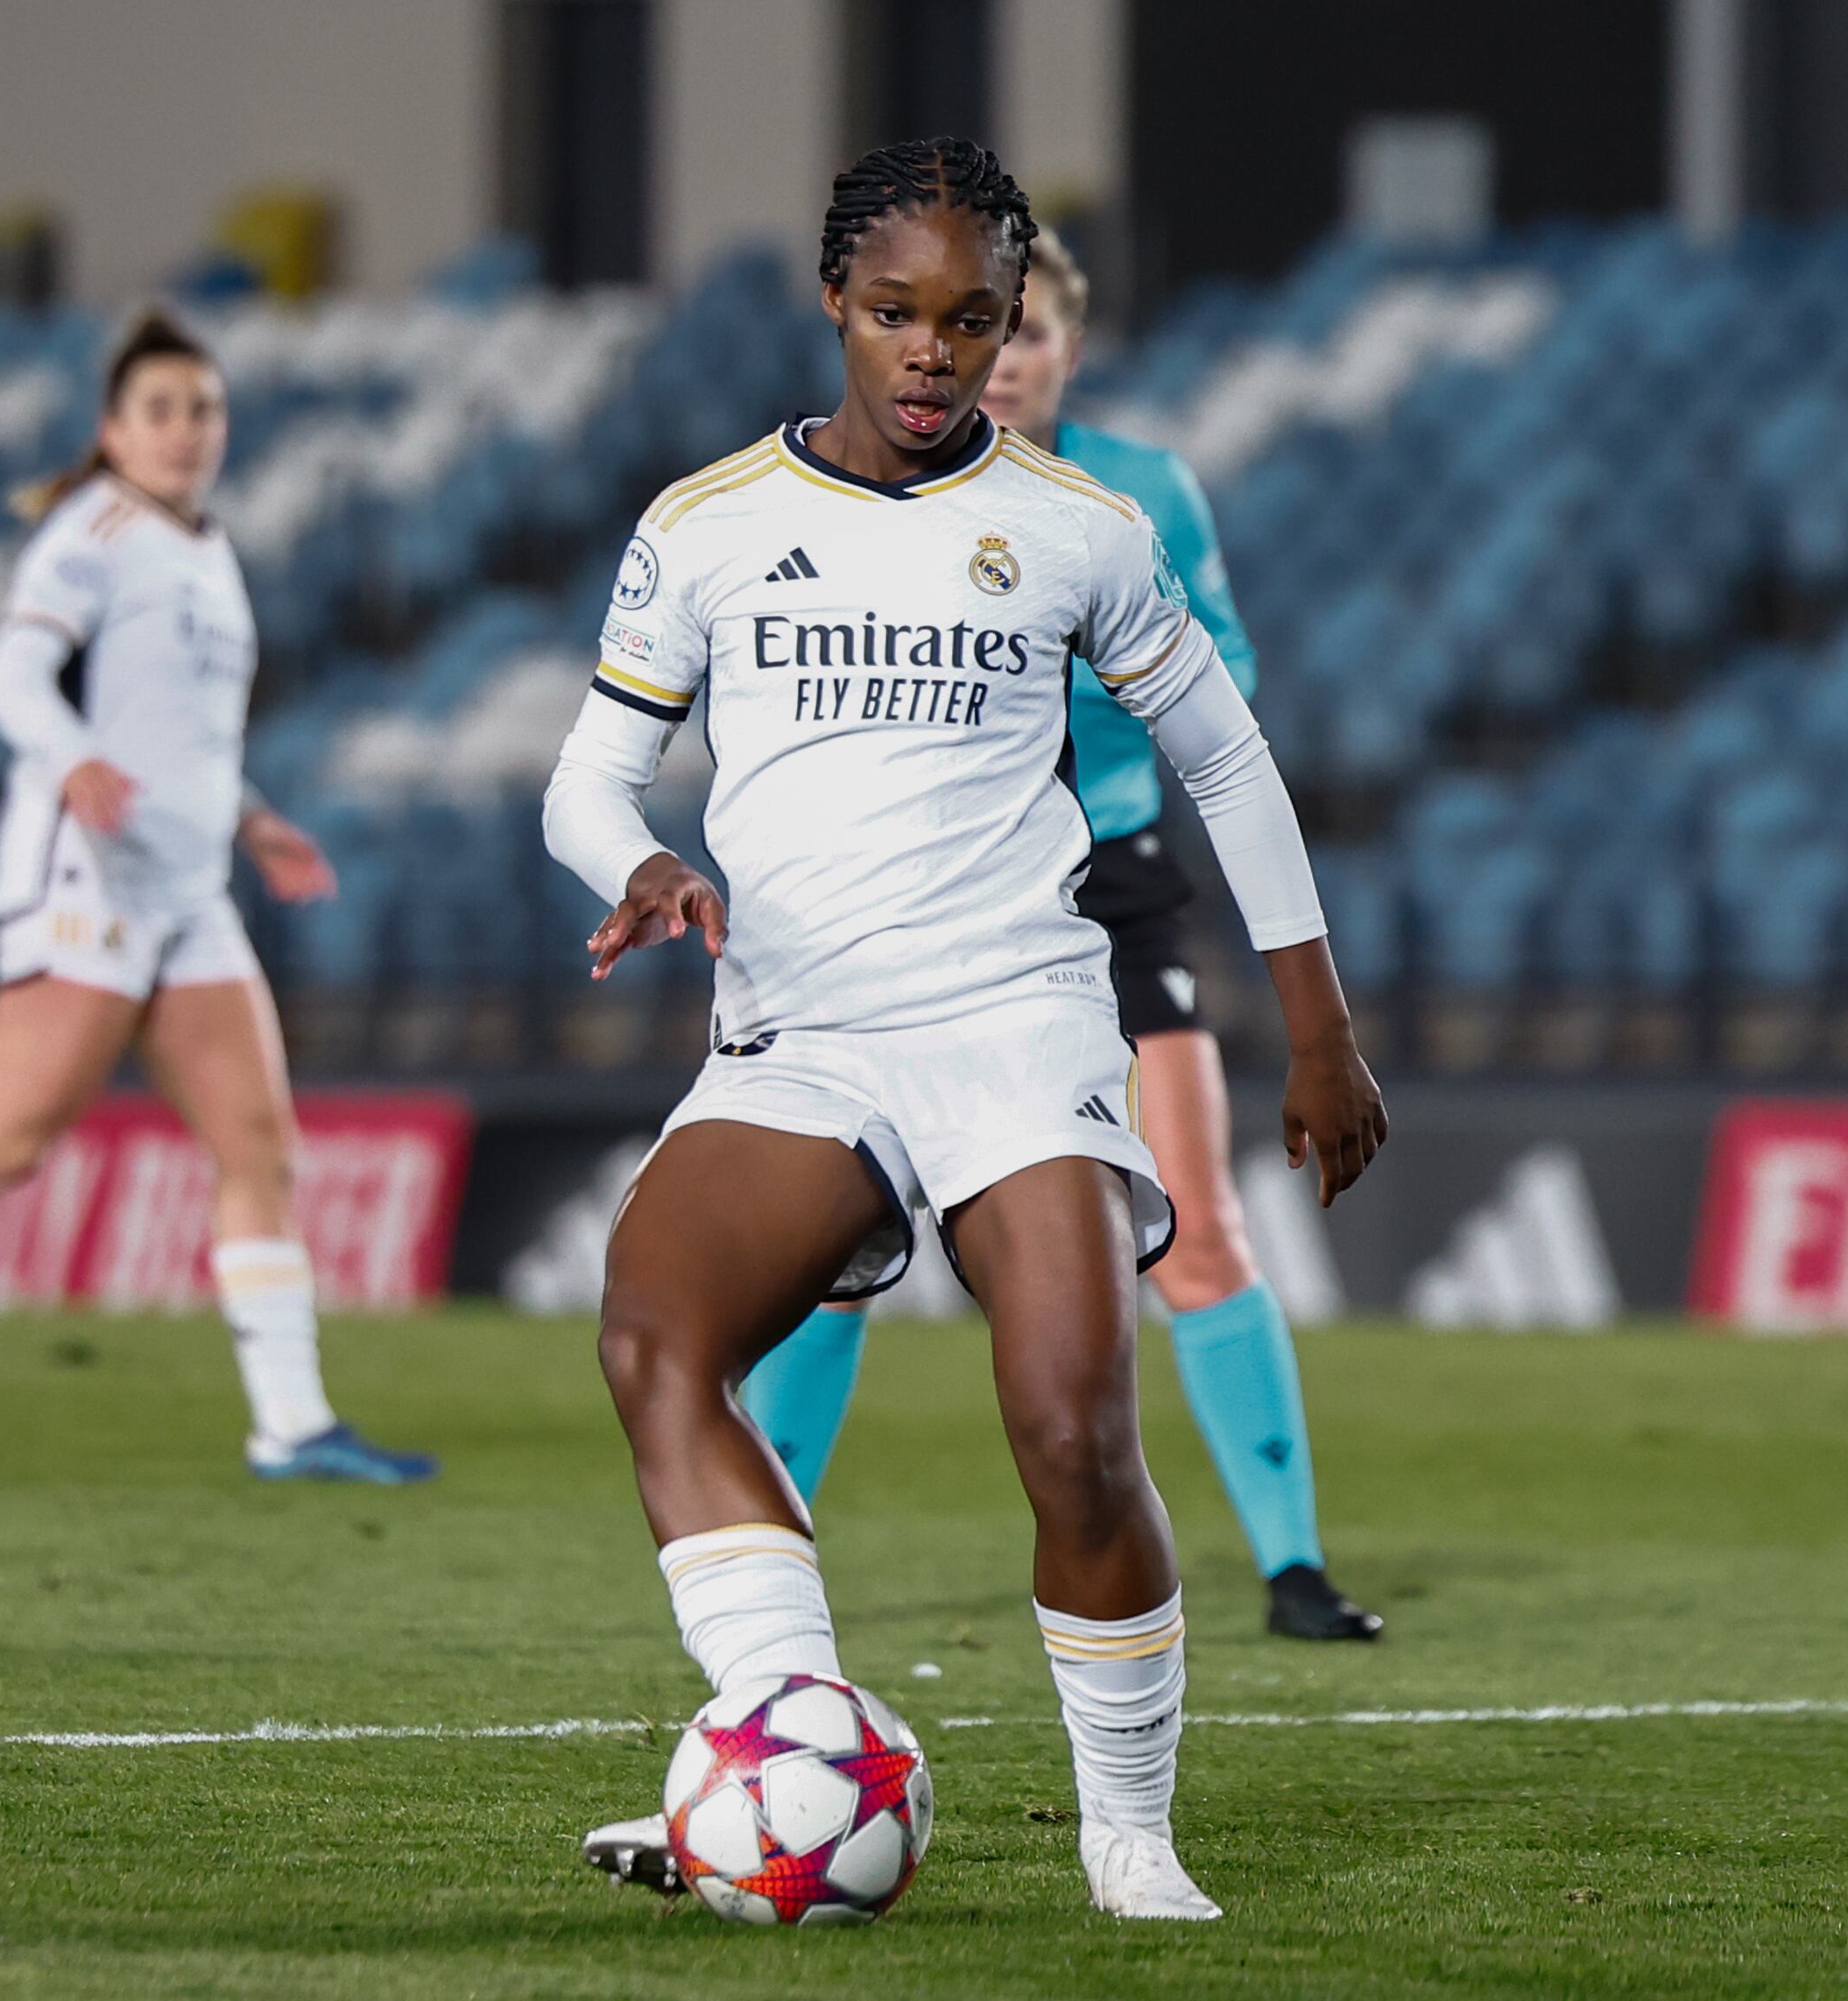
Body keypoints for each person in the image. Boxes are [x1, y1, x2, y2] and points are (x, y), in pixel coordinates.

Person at [550, 138, 1383, 1923]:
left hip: (1013, 1017)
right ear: (836, 306)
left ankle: (1129, 1832)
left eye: (972, 318)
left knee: (1073, 1423)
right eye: (896, 313)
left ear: (1013, 321)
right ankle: (785, 1730)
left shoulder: (1080, 527)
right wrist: (636, 855)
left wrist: (1316, 1024)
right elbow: (591, 769)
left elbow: (1225, 755)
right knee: (651, 1334)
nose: (935, 352)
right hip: (800, 1033)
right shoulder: (705, 525)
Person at [730, 231, 1381, 1644]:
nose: (997, 358)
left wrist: (1079, 660)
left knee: (1195, 1221)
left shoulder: (1130, 499)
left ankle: (1293, 1565)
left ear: (1064, 350)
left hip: (1107, 870)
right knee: (837, 1242)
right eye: (976, 330)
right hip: (909, 885)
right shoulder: (860, 497)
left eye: (1021, 334)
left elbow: (1228, 680)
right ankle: (765, 1562)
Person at [0, 308, 433, 1488]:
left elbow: (183, 734)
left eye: (203, 408)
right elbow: (9, 672)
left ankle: (291, 1422)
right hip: (86, 874)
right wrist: (75, 763)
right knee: (6, 1142)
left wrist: (251, 817)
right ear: (112, 431)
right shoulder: (92, 532)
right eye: (160, 410)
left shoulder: (208, 549)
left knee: (257, 1142)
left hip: (186, 886)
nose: (185, 430)